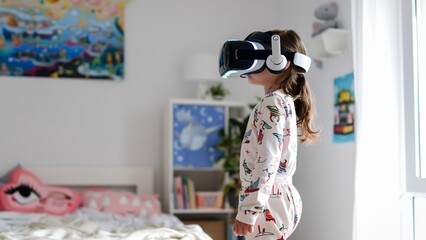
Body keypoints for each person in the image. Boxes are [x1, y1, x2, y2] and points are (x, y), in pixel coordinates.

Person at [232, 29, 320, 240]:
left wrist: (249, 211)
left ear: (281, 61)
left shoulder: (271, 103)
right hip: (278, 194)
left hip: (269, 198)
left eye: (258, 56)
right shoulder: (284, 101)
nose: (250, 64)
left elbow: (267, 160)